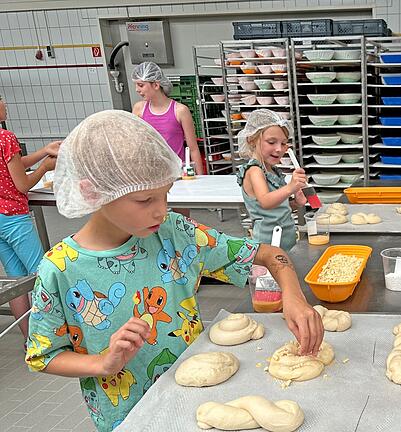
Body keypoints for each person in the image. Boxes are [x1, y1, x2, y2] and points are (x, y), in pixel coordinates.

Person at [25, 111, 323, 432]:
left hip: (201, 401)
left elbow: (269, 253)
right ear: (92, 192)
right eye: (145, 199)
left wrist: (293, 296)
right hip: (129, 415)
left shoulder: (174, 233)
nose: (161, 209)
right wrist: (101, 362)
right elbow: (43, 355)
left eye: (166, 193)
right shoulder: (60, 269)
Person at [0, 94, 59, 339]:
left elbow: (12, 164)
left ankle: (30, 340)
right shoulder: (6, 137)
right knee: (42, 272)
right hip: (13, 216)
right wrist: (45, 167)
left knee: (17, 279)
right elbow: (22, 184)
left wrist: (42, 152)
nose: (6, 103)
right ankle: (52, 335)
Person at [132, 61, 203, 217]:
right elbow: (135, 145)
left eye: (141, 85)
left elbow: (193, 148)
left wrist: (203, 179)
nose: (137, 90)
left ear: (156, 85)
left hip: (176, 175)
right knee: (154, 219)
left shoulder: (180, 110)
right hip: (150, 174)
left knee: (181, 221)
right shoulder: (139, 109)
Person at [236, 110, 307, 251]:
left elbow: (277, 208)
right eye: (271, 142)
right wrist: (290, 188)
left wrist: (294, 203)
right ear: (251, 140)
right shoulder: (255, 171)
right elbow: (266, 202)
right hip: (269, 243)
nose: (279, 149)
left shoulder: (272, 171)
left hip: (285, 240)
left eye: (284, 143)